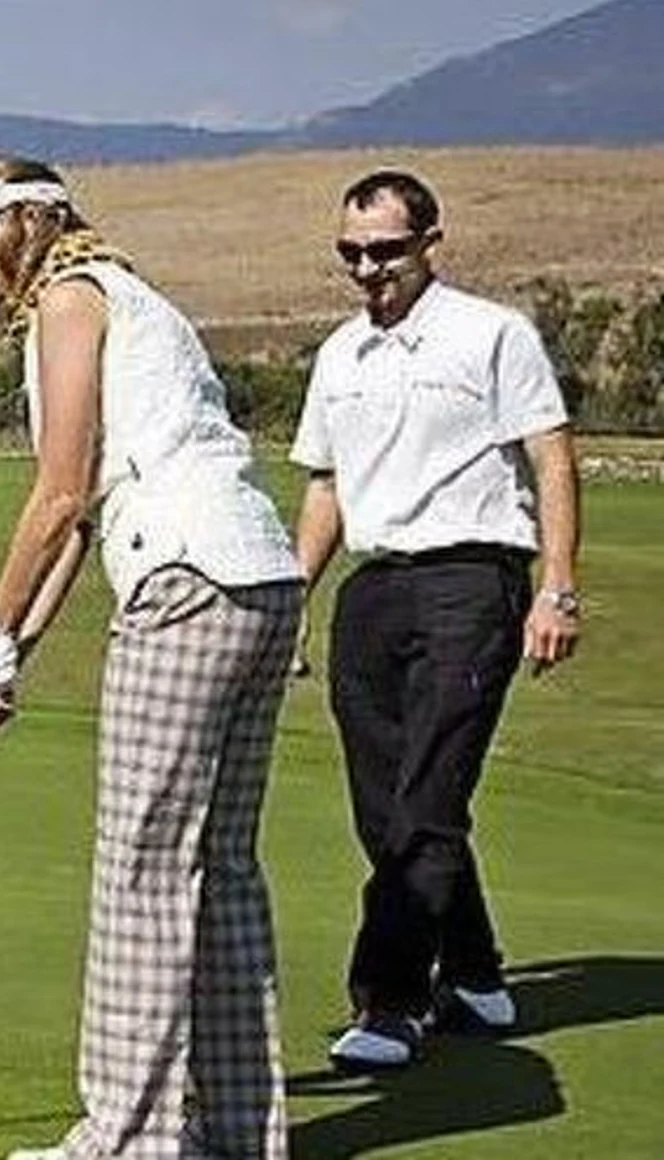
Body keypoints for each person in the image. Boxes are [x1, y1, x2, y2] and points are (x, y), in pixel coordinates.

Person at [0, 158, 303, 1160]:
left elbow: (55, 498)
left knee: (142, 870)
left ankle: (128, 1142)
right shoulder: (133, 297)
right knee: (219, 869)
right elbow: (83, 520)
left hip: (184, 581)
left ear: (23, 222)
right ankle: (235, 1135)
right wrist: (5, 665)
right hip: (261, 580)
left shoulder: (69, 300)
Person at [292, 169, 582, 1072]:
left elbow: (551, 458)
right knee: (386, 806)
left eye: (385, 250)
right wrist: (290, 603)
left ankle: (390, 1004)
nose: (367, 268)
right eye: (350, 253)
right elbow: (326, 486)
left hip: (472, 581)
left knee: (426, 798)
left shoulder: (493, 334)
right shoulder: (340, 354)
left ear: (429, 244)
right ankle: (476, 974)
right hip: (372, 591)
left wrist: (557, 587)